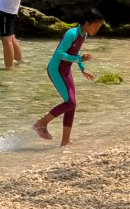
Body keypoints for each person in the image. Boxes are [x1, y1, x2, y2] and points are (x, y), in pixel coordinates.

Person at [35, 9, 104, 146]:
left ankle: (65, 141)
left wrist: (83, 69)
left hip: (66, 70)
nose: (97, 29)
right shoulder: (72, 33)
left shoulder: (83, 35)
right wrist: (78, 59)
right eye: (96, 26)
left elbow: (75, 54)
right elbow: (59, 53)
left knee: (72, 104)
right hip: (56, 69)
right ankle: (41, 124)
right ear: (87, 23)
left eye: (99, 27)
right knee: (70, 102)